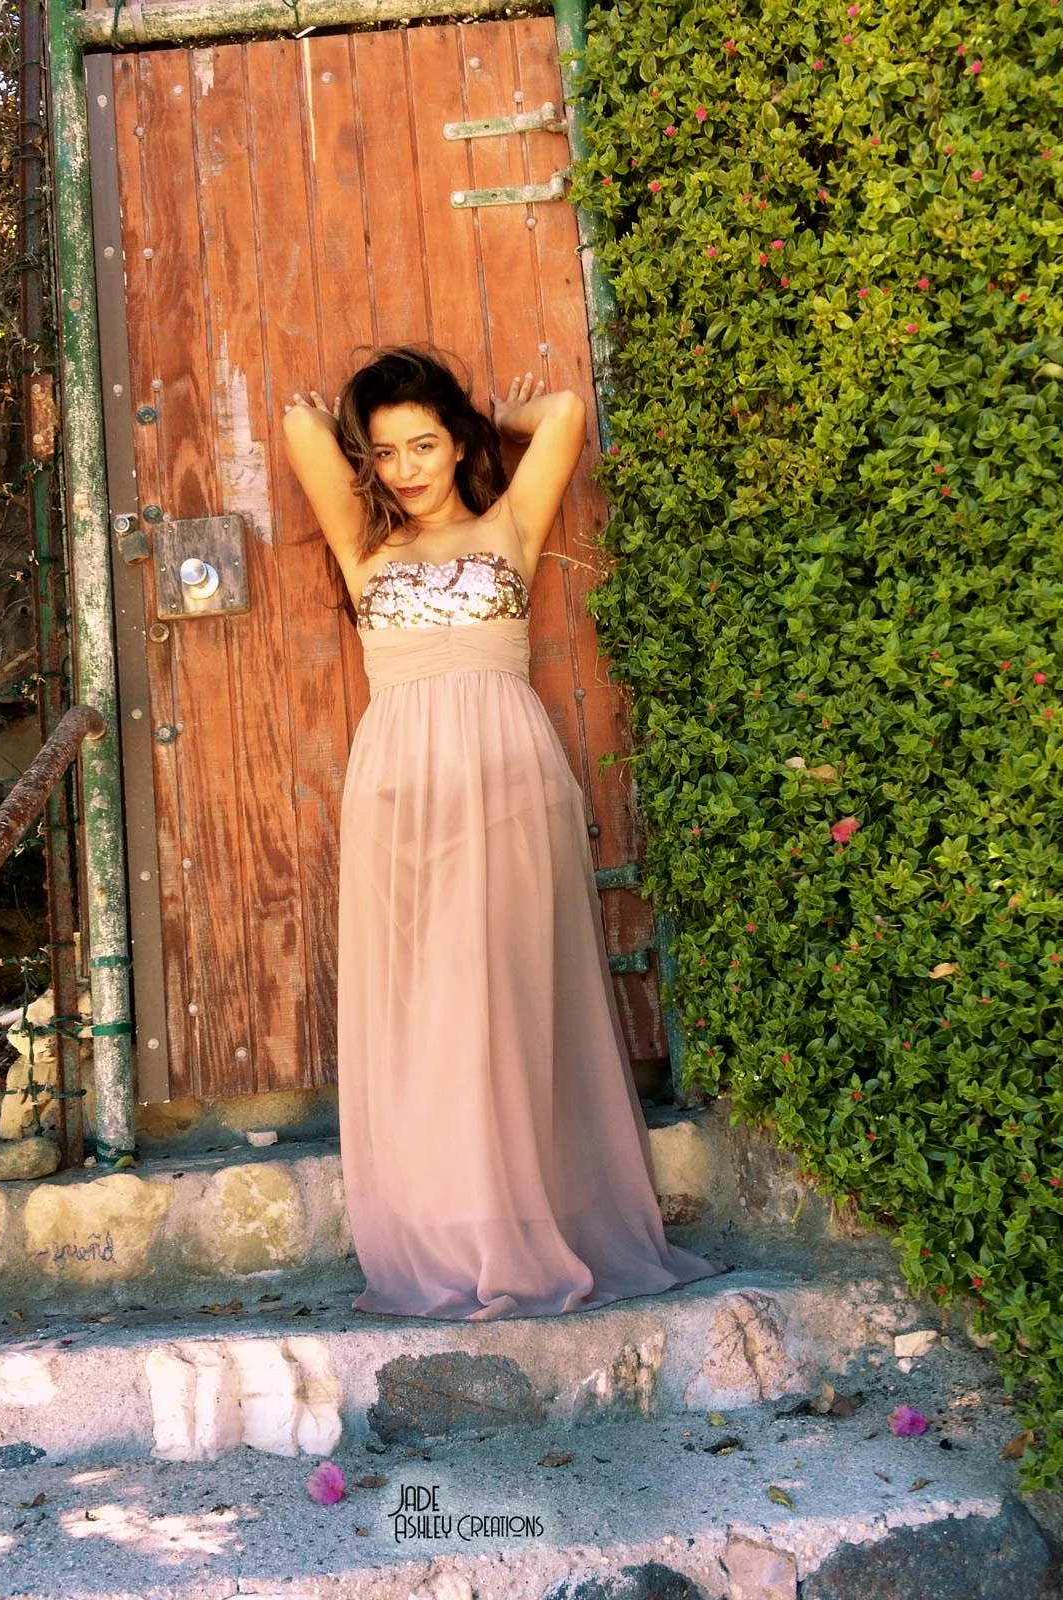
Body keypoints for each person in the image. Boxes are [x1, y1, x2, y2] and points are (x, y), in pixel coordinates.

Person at [281, 344, 723, 1321]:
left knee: (511, 992)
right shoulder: (364, 546)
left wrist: (503, 420)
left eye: (424, 442)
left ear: (458, 438)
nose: (406, 466)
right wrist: (344, 431)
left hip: (512, 778)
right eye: (386, 450)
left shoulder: (509, 524)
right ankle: (458, 1227)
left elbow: (563, 412)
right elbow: (298, 430)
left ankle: (535, 1217)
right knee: (431, 1005)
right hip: (400, 787)